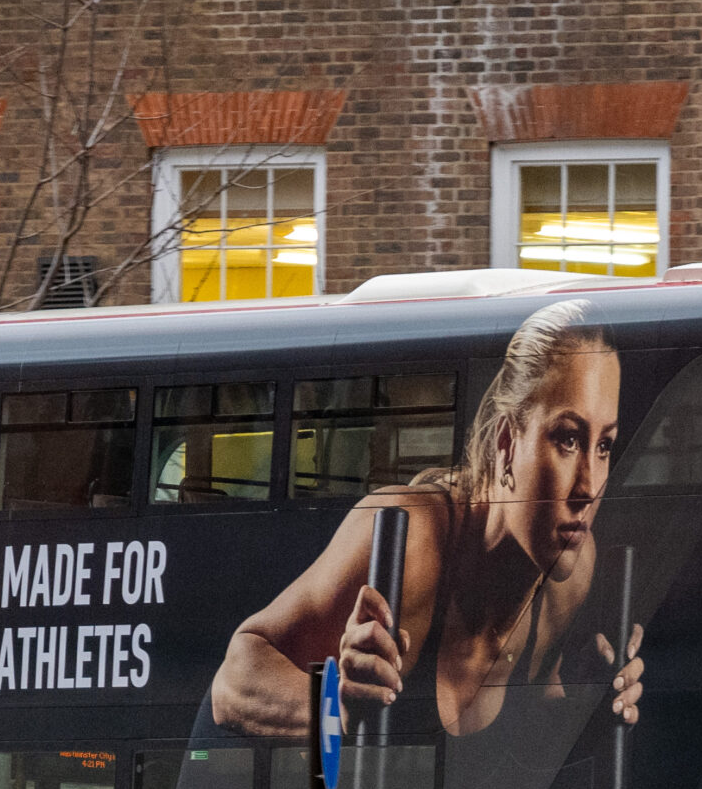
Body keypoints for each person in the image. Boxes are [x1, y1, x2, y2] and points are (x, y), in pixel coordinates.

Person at [208, 298, 643, 740]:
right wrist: (335, 704)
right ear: (508, 443)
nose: (589, 487)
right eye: (568, 439)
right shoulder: (409, 539)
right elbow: (234, 680)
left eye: (604, 446)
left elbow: (525, 720)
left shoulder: (571, 575)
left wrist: (586, 698)